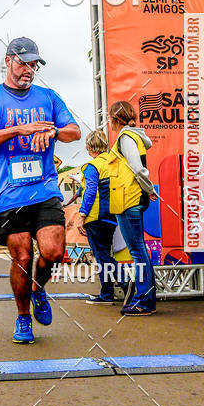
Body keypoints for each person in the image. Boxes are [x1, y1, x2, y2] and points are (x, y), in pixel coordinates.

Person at [0, 37, 80, 344]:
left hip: (44, 189)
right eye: (23, 63)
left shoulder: (48, 97)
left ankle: (37, 288)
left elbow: (75, 131)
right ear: (8, 61)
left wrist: (53, 130)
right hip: (8, 193)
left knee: (54, 252)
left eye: (33, 64)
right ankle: (22, 318)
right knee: (22, 256)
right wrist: (19, 129)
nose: (28, 70)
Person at [108, 100, 158, 317]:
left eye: (109, 119)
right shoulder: (134, 136)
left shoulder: (126, 137)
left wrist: (148, 188)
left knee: (138, 251)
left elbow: (138, 168)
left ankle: (144, 301)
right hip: (129, 199)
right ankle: (145, 297)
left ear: (115, 120)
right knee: (139, 250)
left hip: (129, 199)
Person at [77, 130, 119, 303]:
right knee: (106, 254)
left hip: (96, 216)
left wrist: (82, 215)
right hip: (114, 215)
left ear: (89, 147)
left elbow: (90, 191)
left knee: (102, 256)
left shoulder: (91, 166)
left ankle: (123, 284)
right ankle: (109, 291)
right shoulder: (114, 162)